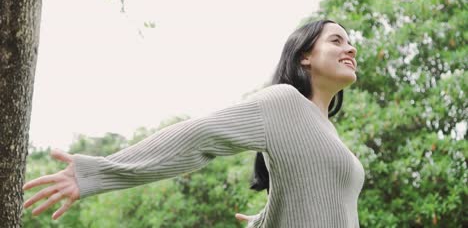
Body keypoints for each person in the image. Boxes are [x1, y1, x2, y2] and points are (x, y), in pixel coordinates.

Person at [23, 19, 363, 227]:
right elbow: (198, 136)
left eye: (350, 42)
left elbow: (317, 199)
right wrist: (97, 172)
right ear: (304, 55)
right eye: (336, 40)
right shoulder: (284, 102)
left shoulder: (329, 131)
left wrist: (266, 219)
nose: (350, 49)